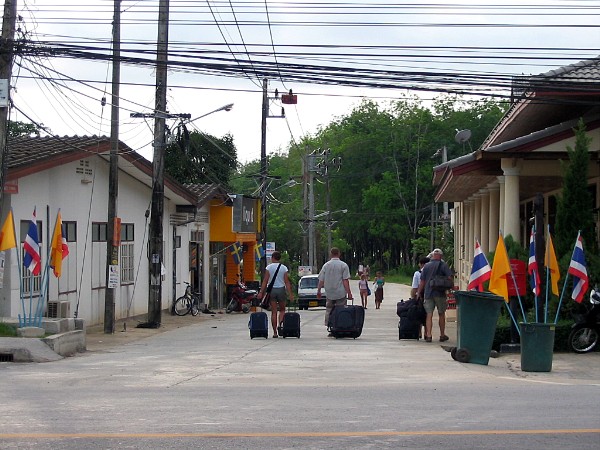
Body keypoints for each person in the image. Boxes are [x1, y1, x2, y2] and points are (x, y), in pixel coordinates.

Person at [416, 248, 453, 343]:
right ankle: (442, 334)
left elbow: (422, 281)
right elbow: (449, 277)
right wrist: (449, 288)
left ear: (432, 256)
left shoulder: (426, 266)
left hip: (428, 293)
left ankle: (428, 335)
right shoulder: (444, 265)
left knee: (429, 314)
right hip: (440, 293)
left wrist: (418, 292)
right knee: (441, 314)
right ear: (440, 256)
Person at [257, 251, 294, 338]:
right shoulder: (284, 268)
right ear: (279, 258)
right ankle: (280, 325)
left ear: (272, 258)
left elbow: (265, 281)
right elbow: (286, 282)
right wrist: (290, 294)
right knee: (282, 310)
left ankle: (274, 333)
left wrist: (261, 292)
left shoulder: (269, 267)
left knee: (274, 312)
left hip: (272, 290)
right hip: (281, 289)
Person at [317, 247, 353, 334]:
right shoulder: (343, 265)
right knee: (340, 310)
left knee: (329, 309)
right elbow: (345, 281)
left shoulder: (326, 265)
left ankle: (330, 327)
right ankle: (340, 327)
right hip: (340, 292)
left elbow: (321, 280)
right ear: (339, 254)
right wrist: (349, 293)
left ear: (331, 254)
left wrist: (318, 291)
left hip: (329, 292)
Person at [410, 256, 429, 338]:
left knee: (419, 314)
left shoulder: (417, 274)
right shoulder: (431, 273)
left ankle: (419, 332)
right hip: (429, 295)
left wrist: (413, 297)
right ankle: (427, 333)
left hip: (420, 296)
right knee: (428, 314)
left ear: (422, 264)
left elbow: (414, 287)